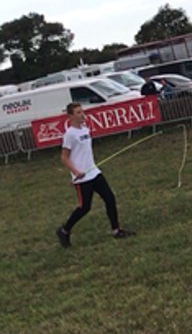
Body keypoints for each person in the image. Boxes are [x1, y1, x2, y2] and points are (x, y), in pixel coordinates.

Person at [55, 103, 134, 247]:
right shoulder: (69, 134)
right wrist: (76, 172)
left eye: (82, 111)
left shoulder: (85, 129)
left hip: (94, 172)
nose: (82, 114)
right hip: (82, 177)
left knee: (109, 198)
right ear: (71, 116)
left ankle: (116, 230)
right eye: (78, 112)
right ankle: (64, 230)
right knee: (85, 207)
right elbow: (64, 157)